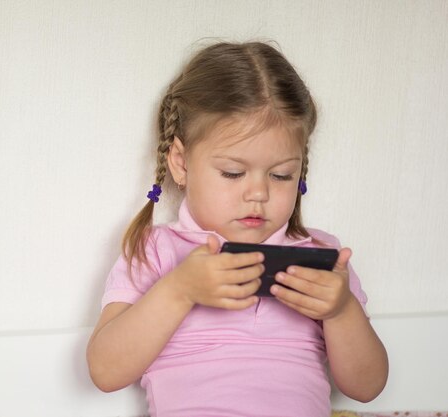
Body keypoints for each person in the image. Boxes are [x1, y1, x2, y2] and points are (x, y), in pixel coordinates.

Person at [86, 41, 388, 417]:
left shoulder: (320, 258)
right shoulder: (158, 250)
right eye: (233, 173)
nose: (258, 193)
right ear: (180, 163)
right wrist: (179, 290)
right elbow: (105, 371)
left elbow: (367, 387)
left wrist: (342, 311)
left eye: (281, 175)